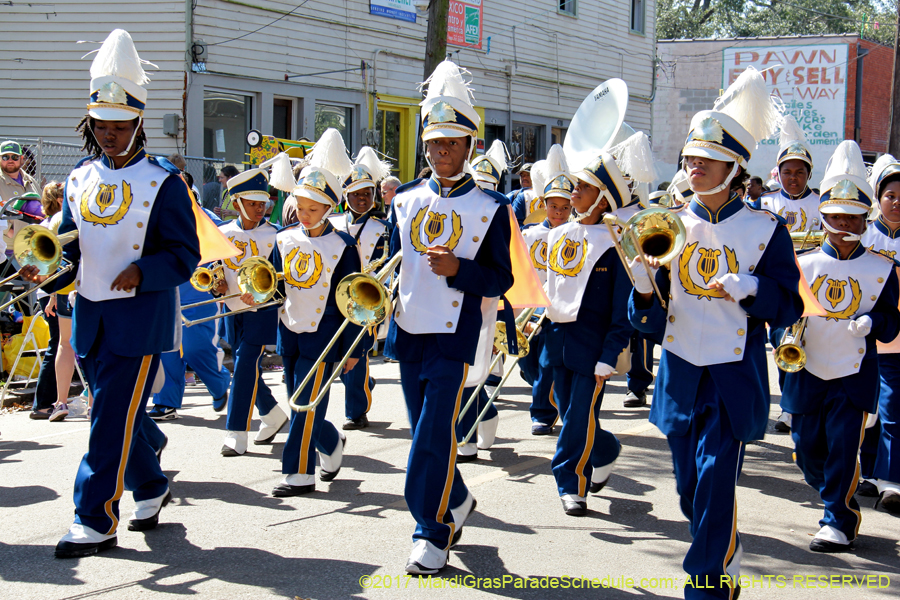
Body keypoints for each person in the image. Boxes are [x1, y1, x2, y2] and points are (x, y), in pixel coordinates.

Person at [19, 29, 202, 558]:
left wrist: (143, 271)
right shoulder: (77, 178)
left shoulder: (165, 182)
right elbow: (70, 253)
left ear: (138, 123)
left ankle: (93, 517)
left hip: (140, 320)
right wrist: (47, 275)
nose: (110, 136)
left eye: (120, 127)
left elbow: (184, 256)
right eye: (101, 126)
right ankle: (149, 481)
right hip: (90, 315)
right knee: (114, 413)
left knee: (106, 420)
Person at [629, 67, 803, 597]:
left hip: (732, 370)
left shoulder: (766, 228)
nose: (694, 166)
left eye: (708, 159)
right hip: (681, 368)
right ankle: (720, 543)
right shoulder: (665, 221)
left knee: (714, 476)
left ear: (734, 169)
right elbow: (649, 319)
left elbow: (791, 303)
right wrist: (642, 287)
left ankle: (705, 583)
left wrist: (754, 288)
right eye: (690, 158)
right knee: (688, 484)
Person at [385, 60, 514, 575]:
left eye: (452, 143)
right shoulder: (404, 201)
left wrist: (460, 268)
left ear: (469, 145)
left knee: (434, 434)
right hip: (408, 329)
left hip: (456, 334)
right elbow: (395, 265)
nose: (442, 152)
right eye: (434, 143)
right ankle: (456, 501)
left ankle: (430, 530)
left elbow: (501, 279)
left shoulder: (493, 207)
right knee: (425, 433)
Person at [781, 140, 900, 549]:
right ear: (824, 216)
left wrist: (874, 321)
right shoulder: (803, 261)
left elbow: (891, 322)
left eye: (852, 218)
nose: (844, 225)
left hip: (854, 373)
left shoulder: (884, 268)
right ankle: (832, 491)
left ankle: (839, 518)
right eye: (835, 216)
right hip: (808, 369)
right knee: (807, 451)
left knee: (845, 449)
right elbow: (784, 311)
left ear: (864, 219)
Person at [543, 136, 655, 516]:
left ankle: (571, 482)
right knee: (568, 408)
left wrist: (610, 355)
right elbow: (552, 288)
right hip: (556, 340)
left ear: (603, 198)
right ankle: (605, 450)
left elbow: (622, 310)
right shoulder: (558, 234)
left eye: (584, 187)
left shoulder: (617, 244)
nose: (574, 191)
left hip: (592, 347)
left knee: (576, 416)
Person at [273, 129, 363, 496]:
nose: (305, 215)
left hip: (326, 335)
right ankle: (330, 442)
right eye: (301, 208)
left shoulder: (344, 245)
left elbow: (357, 302)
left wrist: (355, 350)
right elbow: (276, 286)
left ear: (329, 208)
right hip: (290, 329)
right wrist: (254, 296)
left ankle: (298, 473)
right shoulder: (283, 238)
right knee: (299, 401)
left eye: (313, 209)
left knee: (306, 403)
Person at [212, 166, 288, 455]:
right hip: (232, 309)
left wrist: (261, 293)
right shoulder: (223, 232)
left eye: (263, 204)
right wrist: (215, 286)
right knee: (247, 368)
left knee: (244, 364)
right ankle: (272, 413)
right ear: (237, 204)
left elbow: (284, 281)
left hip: (263, 310)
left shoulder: (276, 236)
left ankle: (237, 432)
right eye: (253, 204)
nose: (260, 209)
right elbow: (213, 271)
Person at [455, 139, 513, 462]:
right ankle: (483, 415)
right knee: (461, 371)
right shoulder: (462, 203)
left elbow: (508, 262)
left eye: (488, 186)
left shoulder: (499, 207)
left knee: (471, 368)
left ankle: (469, 432)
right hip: (453, 290)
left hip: (485, 296)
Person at [330, 147, 391, 430]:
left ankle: (356, 412)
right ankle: (365, 382)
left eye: (367, 194)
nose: (362, 199)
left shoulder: (383, 227)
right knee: (343, 357)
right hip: (335, 297)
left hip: (366, 298)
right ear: (346, 197)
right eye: (356, 194)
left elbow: (388, 263)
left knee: (357, 353)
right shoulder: (331, 224)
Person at [857, 154, 900, 515]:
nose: (897, 202)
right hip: (864, 337)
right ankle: (869, 471)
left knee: (892, 409)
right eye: (890, 195)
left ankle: (891, 478)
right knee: (868, 409)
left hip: (897, 341)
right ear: (878, 197)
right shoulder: (864, 236)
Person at [519, 158, 567, 435]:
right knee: (528, 363)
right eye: (553, 206)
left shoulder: (576, 235)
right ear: (544, 205)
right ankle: (544, 390)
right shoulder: (530, 234)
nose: (558, 212)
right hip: (530, 308)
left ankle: (542, 414)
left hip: (558, 309)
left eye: (564, 208)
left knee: (547, 364)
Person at [31, 182, 78, 421]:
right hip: (83, 286)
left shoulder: (55, 219)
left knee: (64, 345)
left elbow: (54, 263)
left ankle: (60, 402)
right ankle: (91, 402)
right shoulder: (78, 215)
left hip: (61, 289)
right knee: (89, 345)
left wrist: (50, 294)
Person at [755, 115, 821, 235]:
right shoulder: (765, 202)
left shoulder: (821, 204)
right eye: (787, 172)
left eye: (800, 172)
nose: (793, 177)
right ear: (779, 174)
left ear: (809, 174)